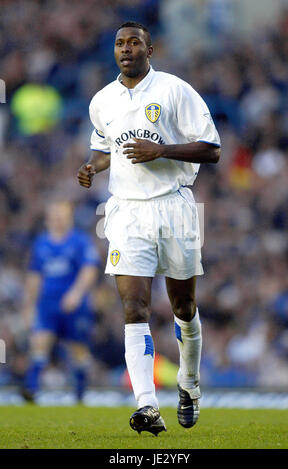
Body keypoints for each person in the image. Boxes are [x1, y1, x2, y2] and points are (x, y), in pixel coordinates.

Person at [77, 21, 221, 435]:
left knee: (183, 307)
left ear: (149, 49)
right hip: (124, 212)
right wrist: (91, 167)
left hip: (174, 207)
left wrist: (162, 150)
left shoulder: (174, 90)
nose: (126, 49)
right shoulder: (102, 100)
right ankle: (147, 404)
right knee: (134, 307)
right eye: (120, 44)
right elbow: (104, 149)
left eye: (134, 43)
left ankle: (189, 384)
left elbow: (212, 149)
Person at [22, 200, 100, 402]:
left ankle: (80, 392)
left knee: (78, 350)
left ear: (69, 217)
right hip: (47, 303)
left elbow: (89, 269)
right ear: (48, 219)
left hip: (74, 305)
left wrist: (76, 293)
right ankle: (30, 390)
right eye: (54, 216)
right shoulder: (41, 243)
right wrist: (30, 304)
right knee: (40, 343)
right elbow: (34, 275)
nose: (57, 220)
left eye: (61, 216)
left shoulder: (80, 241)